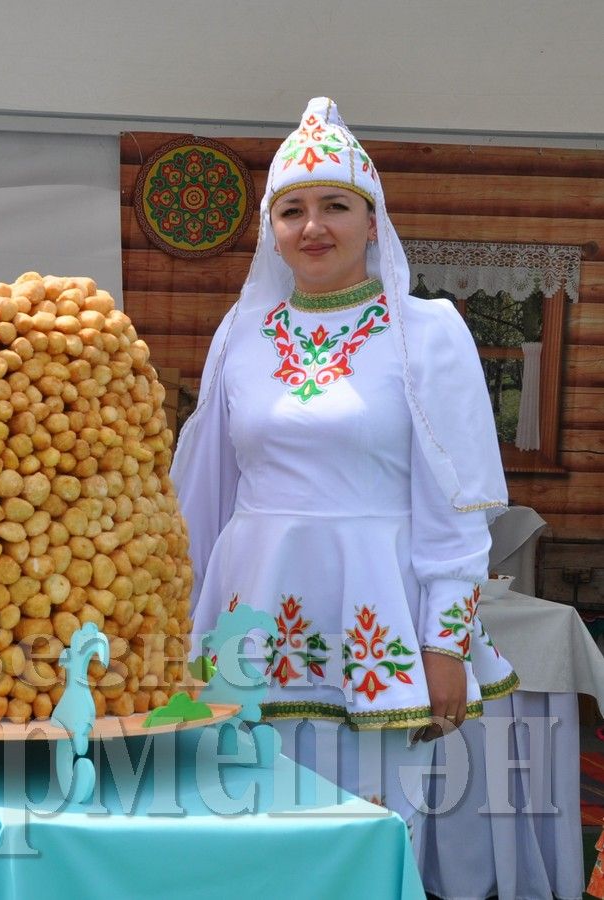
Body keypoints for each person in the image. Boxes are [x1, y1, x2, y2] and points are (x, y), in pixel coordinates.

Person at [172, 97, 517, 826]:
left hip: (378, 610)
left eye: (335, 205)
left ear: (372, 220)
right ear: (270, 230)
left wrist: (443, 642)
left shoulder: (426, 332)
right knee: (246, 806)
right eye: (290, 210)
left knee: (368, 812)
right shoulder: (242, 332)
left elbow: (453, 503)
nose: (312, 226)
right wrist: (174, 613)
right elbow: (206, 488)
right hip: (249, 604)